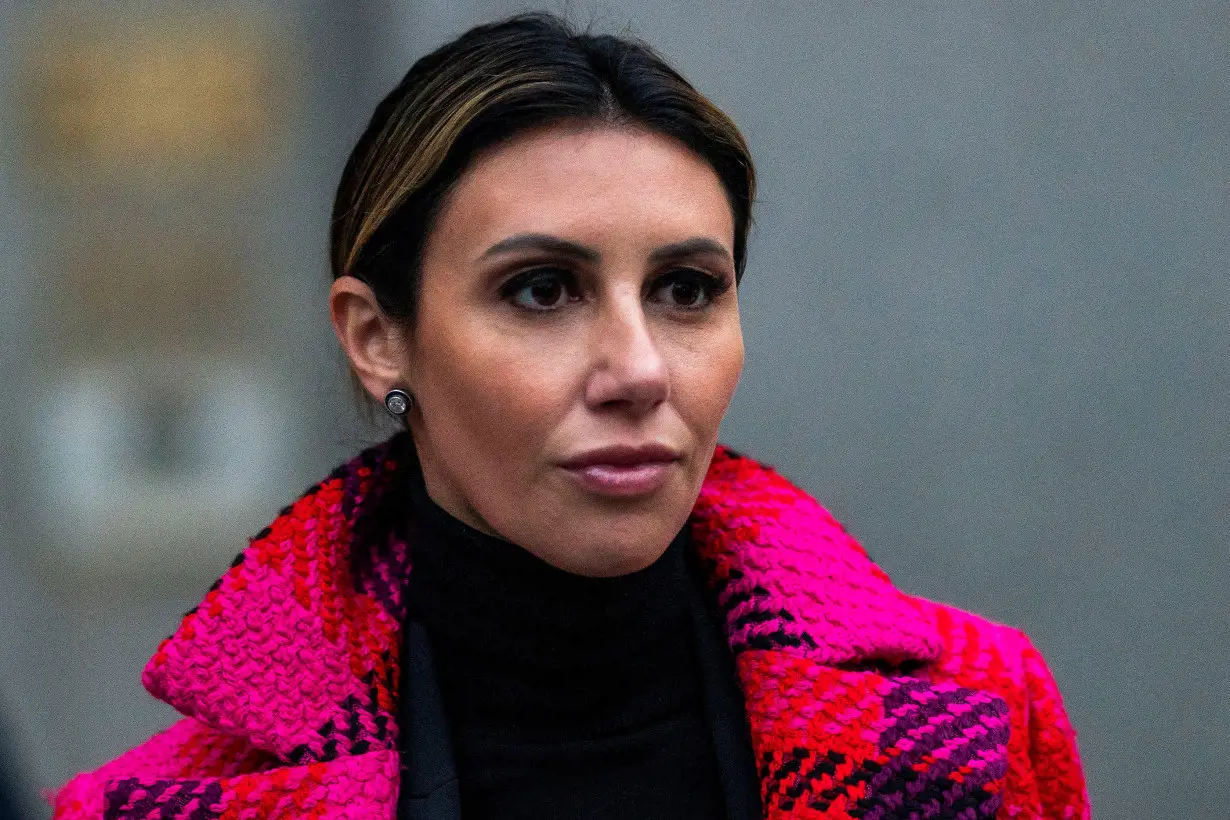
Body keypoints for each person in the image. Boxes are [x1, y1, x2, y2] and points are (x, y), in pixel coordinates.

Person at [51, 13, 1089, 820]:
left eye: (686, 290)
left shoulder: (977, 714)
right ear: (378, 338)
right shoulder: (156, 804)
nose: (638, 369)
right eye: (543, 291)